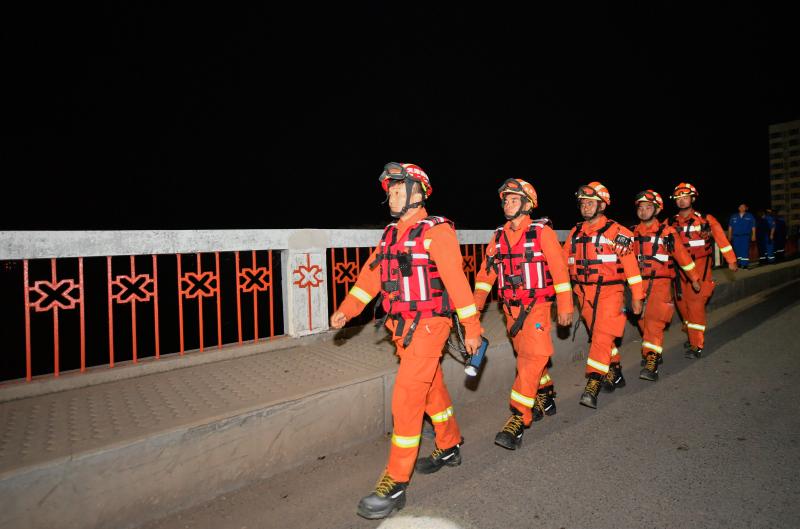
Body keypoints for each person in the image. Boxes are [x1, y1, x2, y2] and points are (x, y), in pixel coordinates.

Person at [330, 162, 482, 520]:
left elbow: (458, 284)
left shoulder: (436, 231)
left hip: (431, 326)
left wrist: (472, 328)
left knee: (406, 397)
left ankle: (395, 480)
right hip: (402, 329)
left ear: (418, 193)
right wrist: (347, 310)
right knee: (431, 389)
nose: (392, 196)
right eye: (391, 191)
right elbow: (370, 278)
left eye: (399, 190)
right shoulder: (390, 236)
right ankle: (449, 445)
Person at [471, 178, 573, 450]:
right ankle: (546, 394)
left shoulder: (542, 233)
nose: (507, 203)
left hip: (537, 307)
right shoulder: (498, 236)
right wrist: (475, 307)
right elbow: (485, 276)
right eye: (505, 199)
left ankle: (518, 417)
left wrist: (565, 305)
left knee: (535, 356)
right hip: (511, 311)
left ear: (528, 204)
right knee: (526, 356)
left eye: (514, 199)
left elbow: (560, 272)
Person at [563, 182, 644, 409]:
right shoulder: (575, 232)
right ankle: (615, 371)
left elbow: (631, 268)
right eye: (583, 203)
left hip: (611, 292)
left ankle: (594, 381)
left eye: (590, 202)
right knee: (601, 336)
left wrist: (637, 296)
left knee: (600, 336)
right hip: (583, 293)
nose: (586, 206)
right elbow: (562, 263)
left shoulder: (618, 232)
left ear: (602, 204)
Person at [631, 190, 700, 381]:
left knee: (654, 321)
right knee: (642, 321)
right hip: (638, 284)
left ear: (657, 210)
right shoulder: (633, 233)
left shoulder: (667, 232)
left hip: (660, 283)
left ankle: (651, 361)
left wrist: (694, 278)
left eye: (648, 207)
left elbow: (683, 257)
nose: (643, 211)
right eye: (640, 208)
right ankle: (653, 350)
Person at [667, 182, 737, 359]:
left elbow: (721, 238)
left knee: (696, 304)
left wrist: (731, 260)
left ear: (692, 198)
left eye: (685, 198)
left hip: (700, 266)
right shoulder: (669, 222)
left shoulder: (705, 219)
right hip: (678, 271)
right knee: (682, 306)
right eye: (678, 199)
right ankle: (692, 334)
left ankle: (696, 344)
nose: (682, 201)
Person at [727, 203, 756, 269]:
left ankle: (745, 264)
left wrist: (754, 235)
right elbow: (730, 227)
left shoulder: (750, 216)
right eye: (740, 207)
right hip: (735, 236)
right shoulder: (733, 216)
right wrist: (729, 235)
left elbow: (753, 226)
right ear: (738, 208)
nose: (742, 208)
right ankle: (739, 263)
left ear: (746, 208)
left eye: (743, 207)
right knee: (737, 250)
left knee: (745, 249)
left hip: (745, 236)